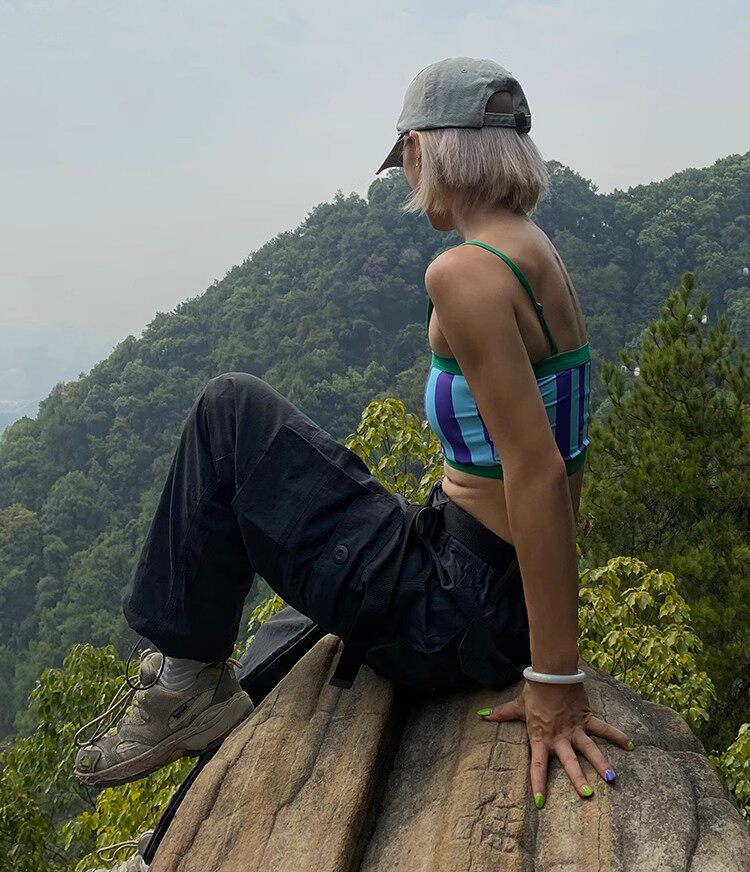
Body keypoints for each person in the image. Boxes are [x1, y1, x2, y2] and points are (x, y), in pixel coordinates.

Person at [75, 58, 633, 840]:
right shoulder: (533, 249)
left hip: (459, 600)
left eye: (406, 158)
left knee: (230, 410)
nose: (408, 179)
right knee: (289, 624)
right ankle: (184, 769)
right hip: (478, 572)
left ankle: (181, 686)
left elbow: (535, 472)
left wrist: (556, 677)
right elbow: (557, 458)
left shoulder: (465, 274)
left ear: (423, 149)